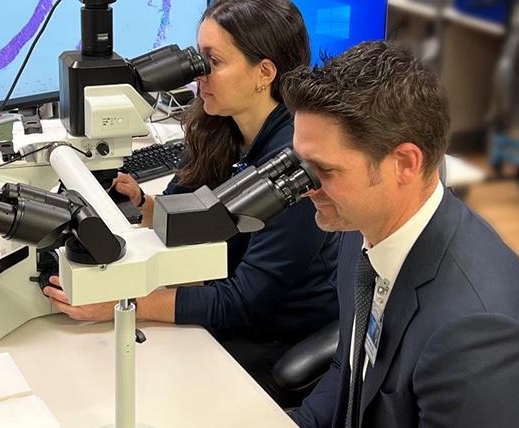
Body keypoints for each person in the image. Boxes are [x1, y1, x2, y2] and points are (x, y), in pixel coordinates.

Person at [223, 41, 519, 428]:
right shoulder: (363, 229)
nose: (306, 191)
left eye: (323, 170)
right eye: (300, 165)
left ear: (405, 163)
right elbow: (350, 373)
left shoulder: (482, 337)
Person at [43, 0, 341, 405]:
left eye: (212, 62)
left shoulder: (295, 163)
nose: (199, 76)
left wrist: (118, 301)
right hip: (217, 308)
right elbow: (184, 213)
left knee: (145, 391)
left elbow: (243, 301)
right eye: (196, 59)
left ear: (264, 73)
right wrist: (143, 206)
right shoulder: (218, 126)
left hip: (274, 340)